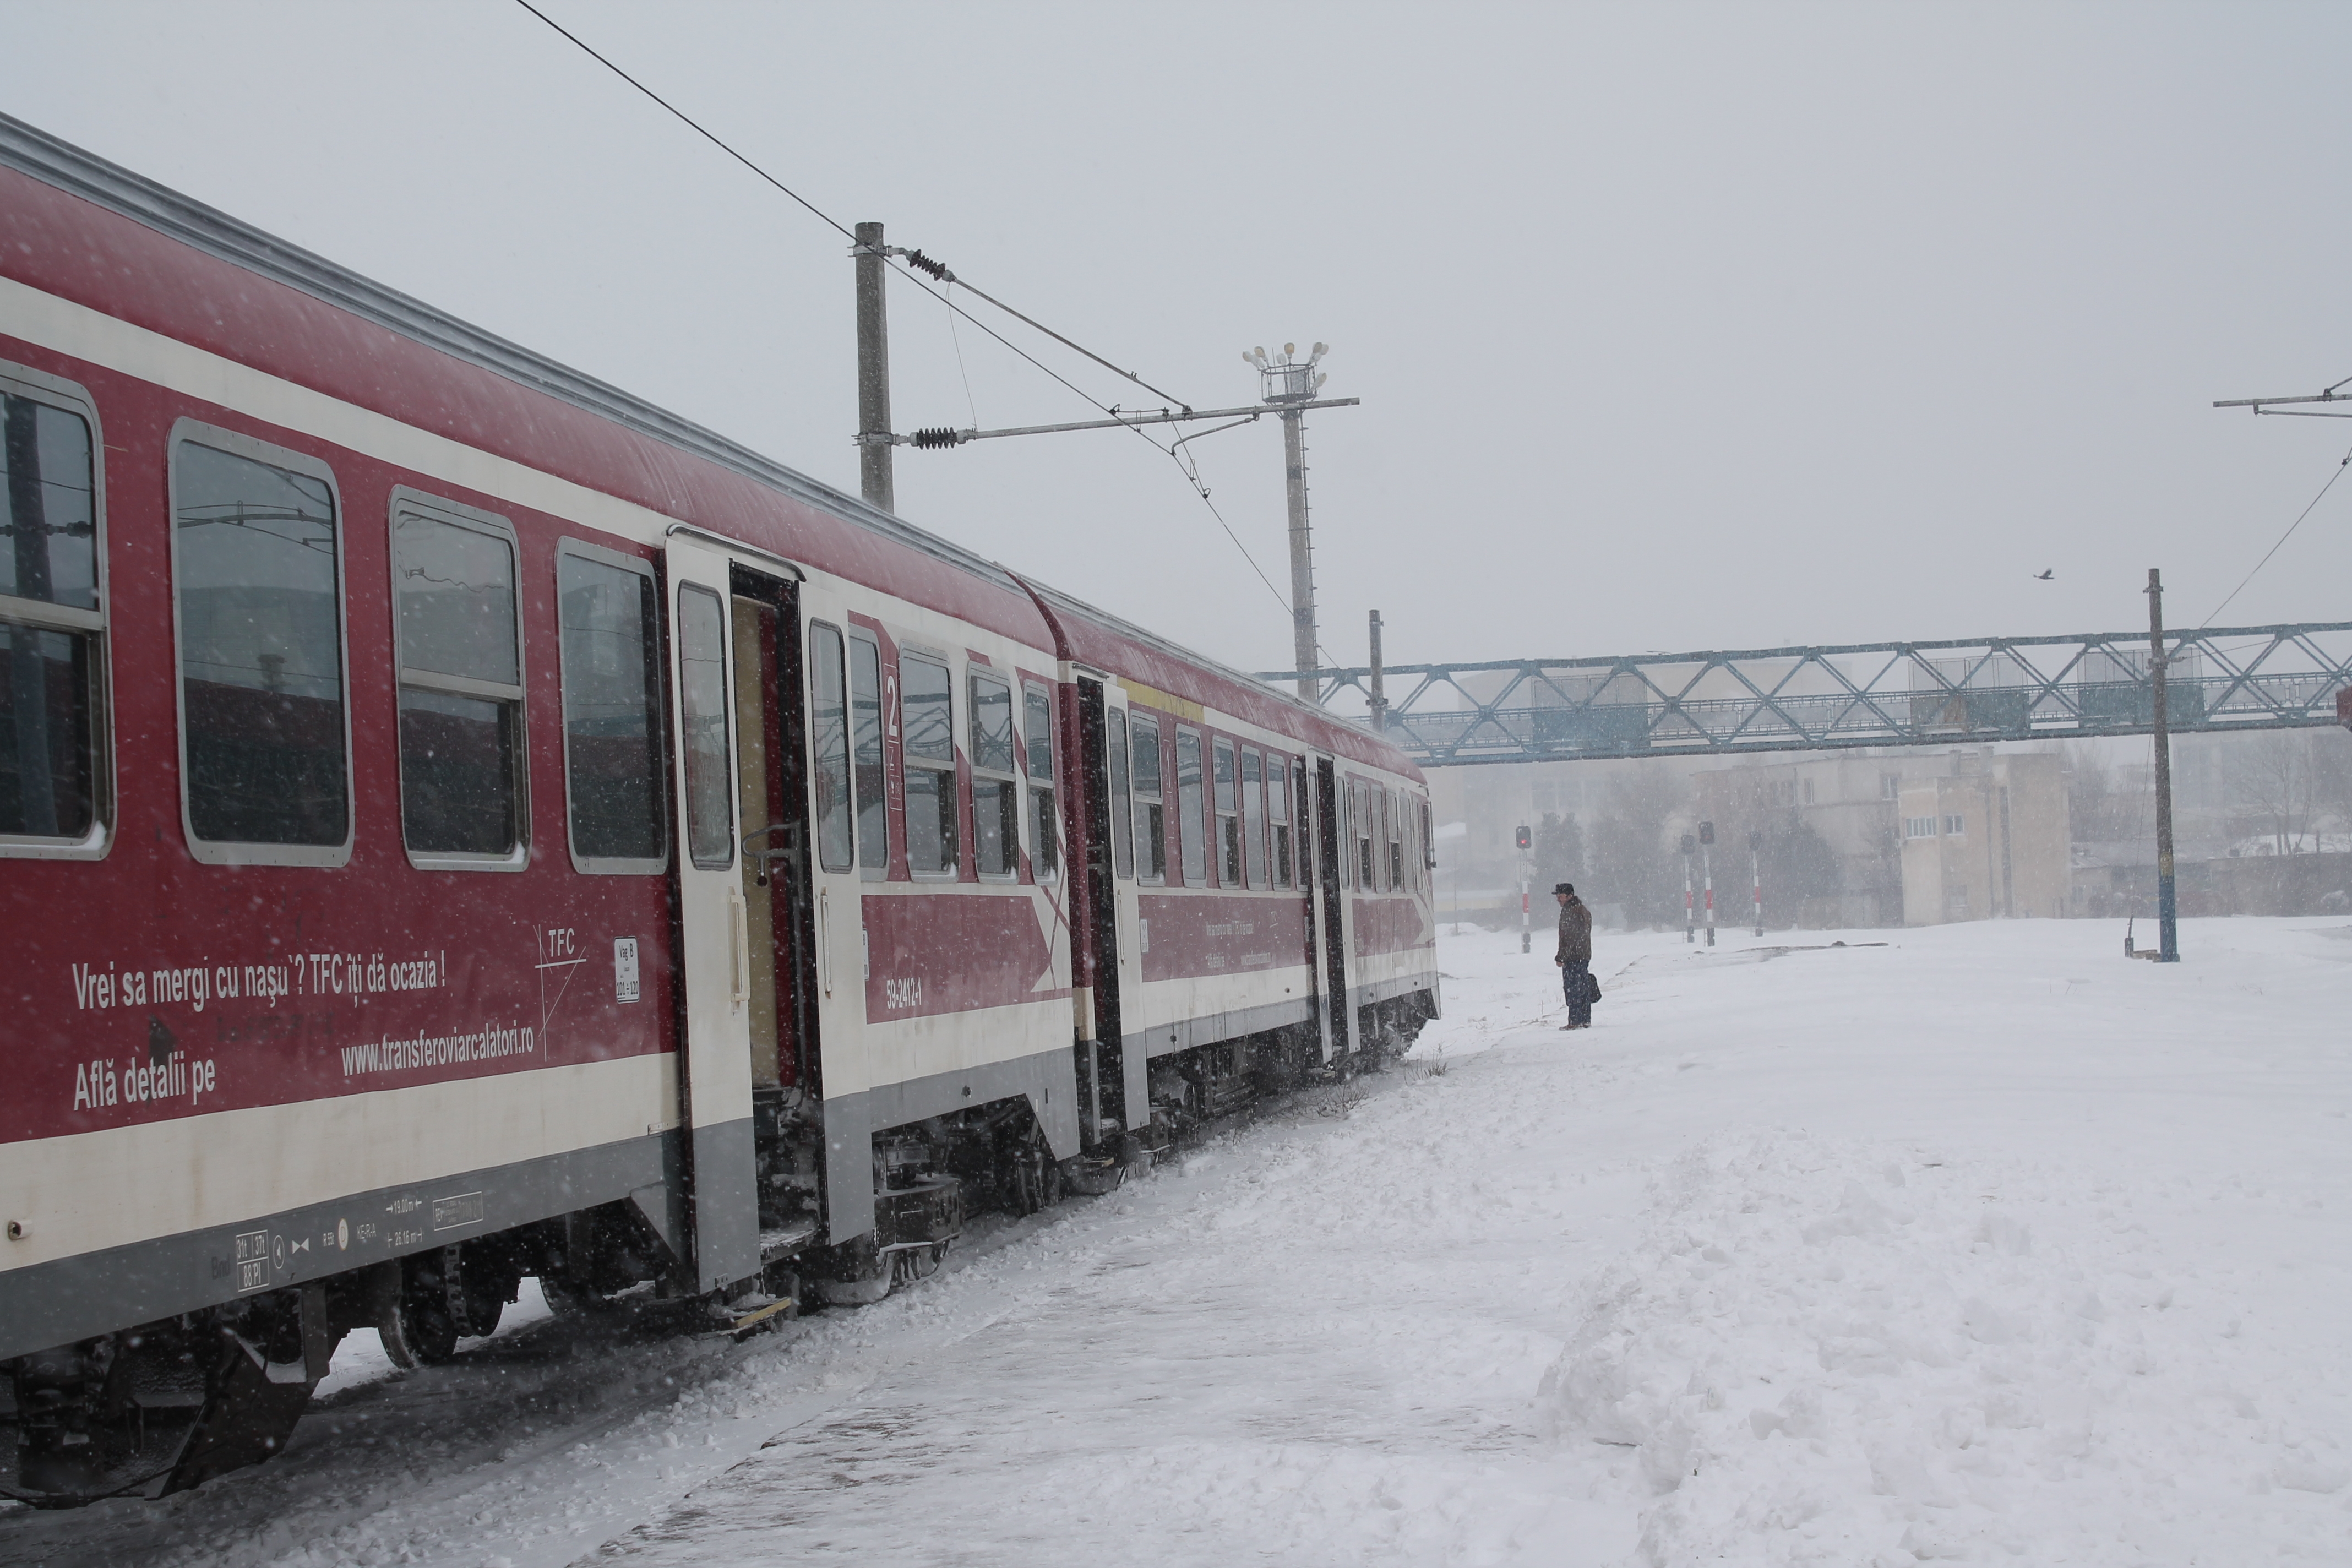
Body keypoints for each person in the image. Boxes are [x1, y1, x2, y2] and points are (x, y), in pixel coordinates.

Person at [1554, 882, 1592, 1029]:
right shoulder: (1582, 910)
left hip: (1573, 957)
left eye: (1561, 896)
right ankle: (1585, 1020)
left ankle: (1575, 1021)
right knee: (1583, 988)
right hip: (1583, 955)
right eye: (1558, 896)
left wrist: (1561, 957)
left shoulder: (1570, 912)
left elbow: (1569, 937)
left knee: (1573, 989)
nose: (1558, 899)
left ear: (1570, 896)